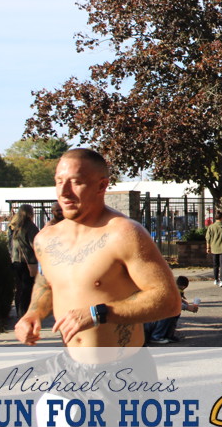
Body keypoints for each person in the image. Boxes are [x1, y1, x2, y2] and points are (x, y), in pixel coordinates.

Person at [14, 148, 181, 348]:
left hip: (124, 364)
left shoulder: (124, 234)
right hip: (69, 361)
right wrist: (33, 313)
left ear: (101, 186)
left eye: (76, 182)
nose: (64, 192)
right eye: (59, 181)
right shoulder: (45, 239)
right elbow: (47, 282)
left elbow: (169, 301)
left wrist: (99, 313)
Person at [145, 275, 199, 344]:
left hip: (150, 321)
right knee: (169, 312)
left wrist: (183, 302)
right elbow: (169, 303)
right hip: (149, 322)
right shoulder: (166, 289)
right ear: (183, 287)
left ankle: (168, 335)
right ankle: (156, 336)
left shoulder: (170, 288)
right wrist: (187, 307)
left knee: (175, 312)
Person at [7, 204, 39, 318]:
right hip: (28, 262)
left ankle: (19, 313)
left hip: (15, 261)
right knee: (28, 288)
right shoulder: (30, 227)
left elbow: (9, 245)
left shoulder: (13, 226)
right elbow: (34, 244)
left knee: (19, 289)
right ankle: (25, 313)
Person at [206, 208, 222, 287]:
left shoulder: (211, 227)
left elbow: (208, 238)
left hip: (214, 248)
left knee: (215, 264)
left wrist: (208, 248)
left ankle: (216, 279)